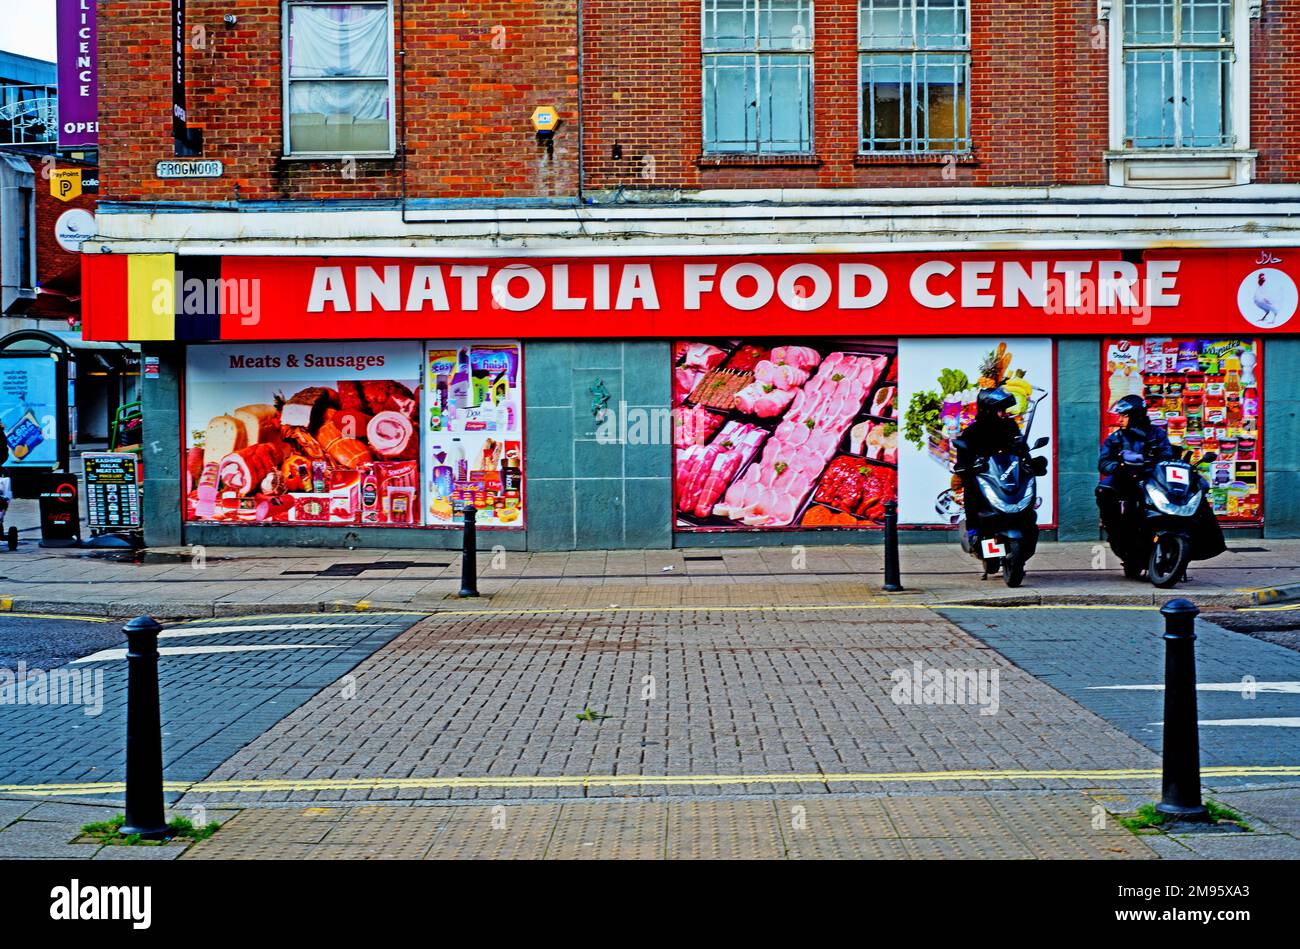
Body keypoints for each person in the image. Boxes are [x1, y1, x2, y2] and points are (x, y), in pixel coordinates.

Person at [1096, 394, 1174, 554]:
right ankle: (1116, 531)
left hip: (1153, 481)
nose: (1119, 420)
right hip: (1126, 481)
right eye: (1120, 416)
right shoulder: (1115, 438)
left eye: (1124, 416)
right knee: (1103, 490)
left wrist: (1153, 465)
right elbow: (1103, 462)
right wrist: (1119, 467)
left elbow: (1167, 456)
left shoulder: (1157, 435)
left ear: (1136, 415)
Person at [954, 388, 1026, 544]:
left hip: (1007, 478)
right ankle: (973, 530)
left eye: (1004, 409)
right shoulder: (972, 432)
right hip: (985, 481)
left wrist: (1030, 461)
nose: (1003, 413)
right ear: (988, 410)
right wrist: (965, 467)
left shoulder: (1010, 426)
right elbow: (962, 457)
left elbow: (1021, 448)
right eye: (999, 410)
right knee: (971, 490)